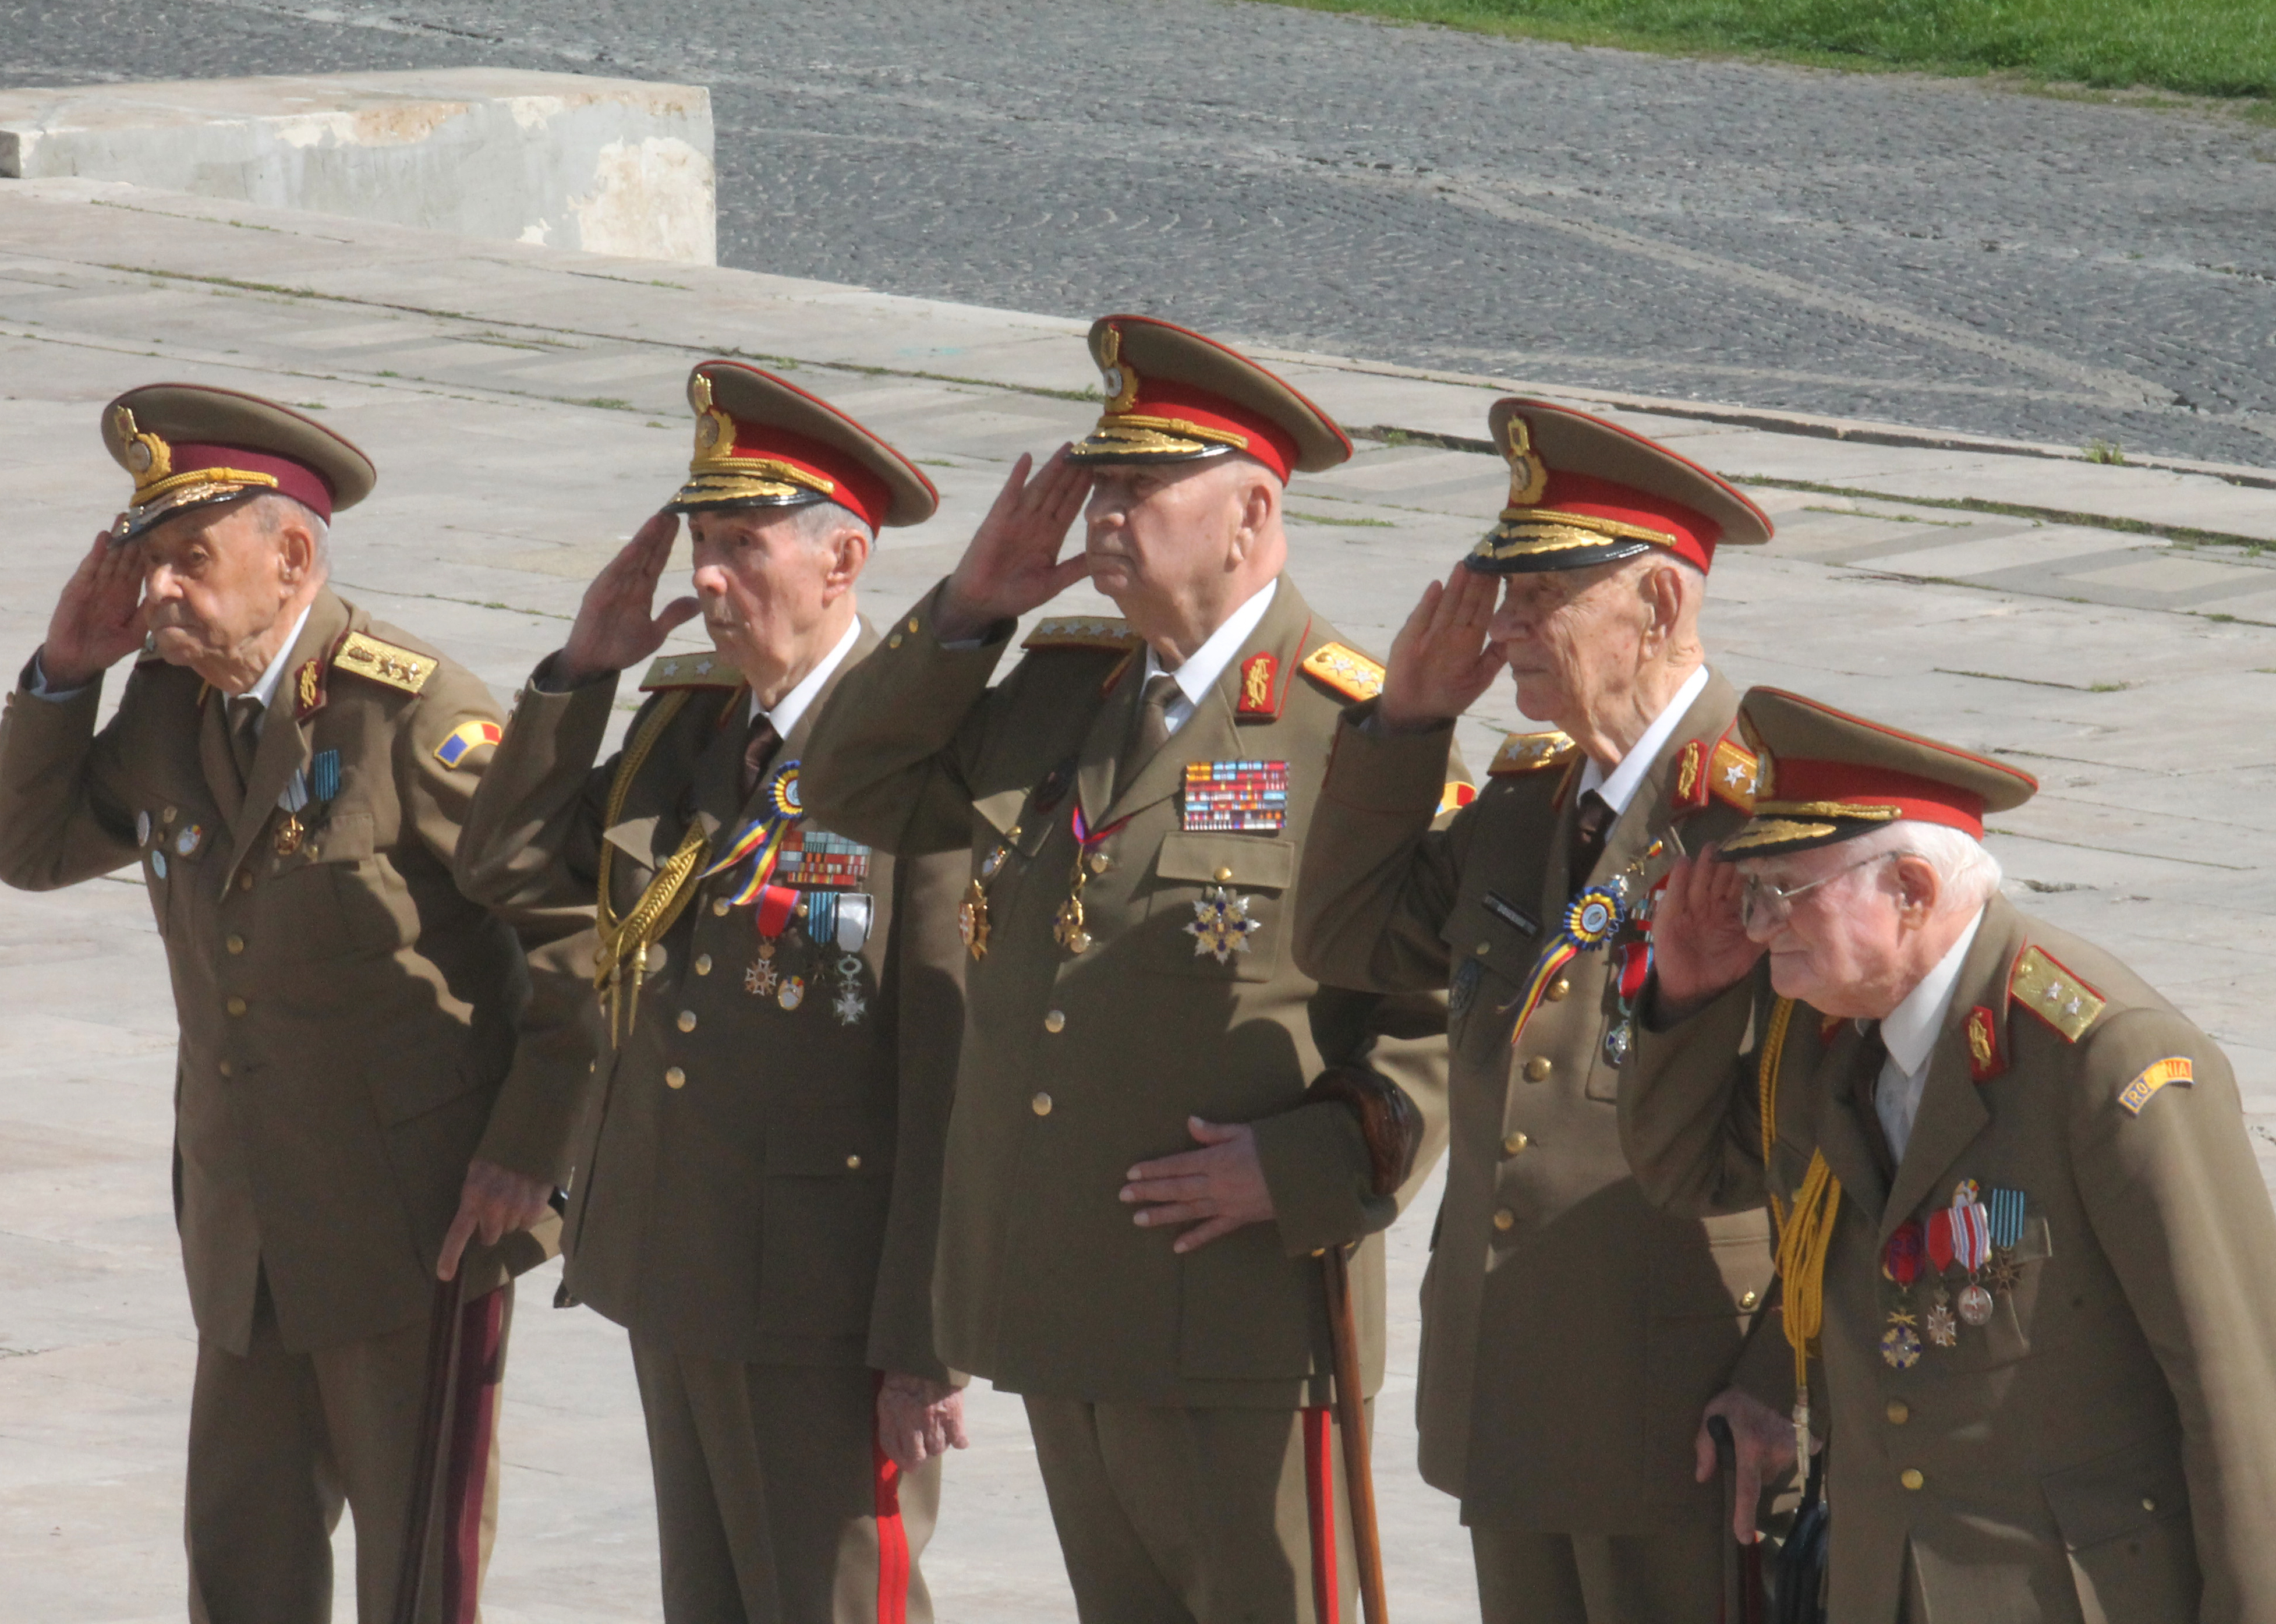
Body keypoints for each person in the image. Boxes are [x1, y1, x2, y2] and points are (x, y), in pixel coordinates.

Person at [799, 316, 1461, 1624]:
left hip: (1244, 1323)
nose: (1105, 512)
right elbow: (849, 786)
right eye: (1099, 484)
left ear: (1248, 512)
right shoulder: (1063, 696)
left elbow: (1439, 1014)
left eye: (1142, 486)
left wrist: (1307, 1166)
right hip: (1065, 1305)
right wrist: (974, 605)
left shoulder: (1353, 727)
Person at [0, 383, 589, 1622]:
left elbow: (577, 937)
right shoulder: (171, 708)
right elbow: (32, 844)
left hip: (412, 1234)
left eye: (187, 561)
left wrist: (527, 1154)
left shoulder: (413, 713)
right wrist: (62, 671)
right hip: (245, 1231)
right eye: (144, 561)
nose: (157, 592)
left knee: (416, 1579)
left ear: (293, 557)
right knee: (241, 1568)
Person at [452, 360, 969, 1623]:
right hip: (672, 1270)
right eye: (699, 543)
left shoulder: (918, 756)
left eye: (742, 544)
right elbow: (509, 863)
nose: (705, 580)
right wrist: (582, 670)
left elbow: (944, 1071)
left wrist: (923, 1338)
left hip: (825, 1305)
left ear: (840, 564)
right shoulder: (686, 723)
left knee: (839, 1604)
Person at [1626, 685, 2276, 1622]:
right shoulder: (1835, 1046)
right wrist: (1686, 1000)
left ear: (1911, 892)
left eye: (1786, 895)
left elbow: (2238, 1390)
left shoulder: (2101, 1061)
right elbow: (1681, 1171)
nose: (1761, 926)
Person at [1293, 398, 1786, 1622]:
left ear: (1658, 607)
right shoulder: (1524, 806)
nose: (1502, 624)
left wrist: (1786, 1379)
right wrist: (1404, 725)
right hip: (1509, 1393)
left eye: (1540, 593)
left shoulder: (1760, 823)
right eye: (1499, 588)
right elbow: (1344, 941)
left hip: (1683, 1408)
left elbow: (1837, 1141)